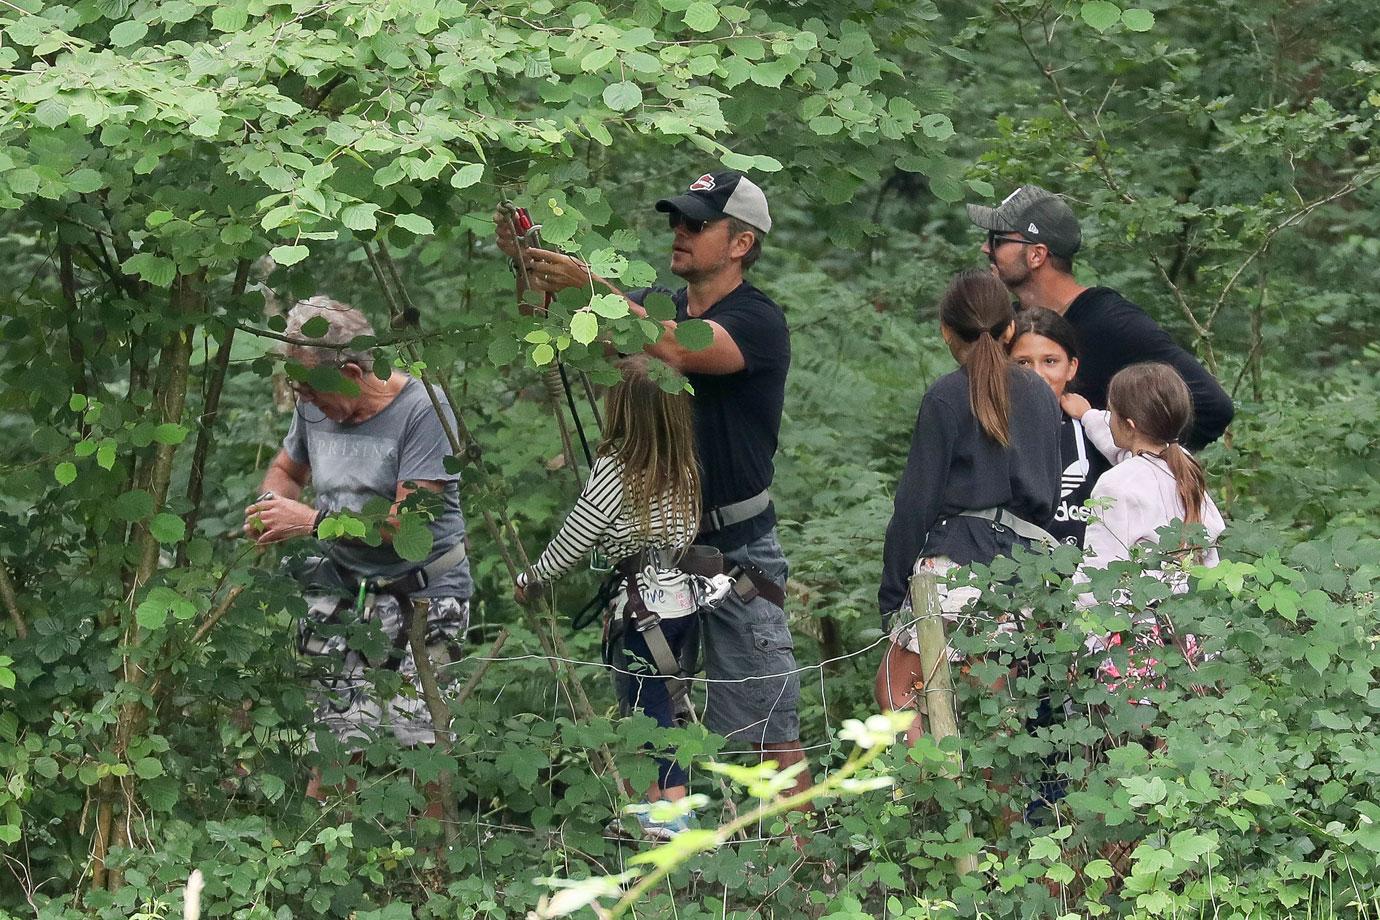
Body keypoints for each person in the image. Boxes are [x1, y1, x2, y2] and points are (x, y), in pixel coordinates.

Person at [494, 169, 811, 796]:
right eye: (676, 219)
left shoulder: (756, 320)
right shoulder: (651, 305)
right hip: (652, 561)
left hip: (736, 546)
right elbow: (577, 313)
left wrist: (592, 290)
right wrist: (534, 261)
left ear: (741, 243)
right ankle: (674, 872)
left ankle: (802, 870)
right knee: (652, 728)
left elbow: (683, 348)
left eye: (697, 223)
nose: (678, 231)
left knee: (767, 729)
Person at [243, 296, 472, 814]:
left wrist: (310, 522)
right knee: (334, 743)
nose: (303, 400)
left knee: (423, 744)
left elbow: (408, 526)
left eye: (310, 390)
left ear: (350, 370)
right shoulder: (312, 406)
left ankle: (433, 879)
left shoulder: (422, 410)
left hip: (424, 595)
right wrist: (269, 505)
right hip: (343, 589)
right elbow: (287, 471)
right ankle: (321, 868)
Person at [514, 356, 703, 839]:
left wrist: (535, 576)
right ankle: (664, 805)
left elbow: (580, 532)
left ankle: (670, 813)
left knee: (647, 709)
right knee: (666, 700)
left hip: (641, 607)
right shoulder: (681, 462)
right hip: (680, 600)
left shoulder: (617, 465)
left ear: (620, 408)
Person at [875, 270, 1063, 739]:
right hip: (1024, 569)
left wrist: (892, 593)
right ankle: (994, 810)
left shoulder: (945, 396)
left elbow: (915, 505)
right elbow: (1049, 492)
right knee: (996, 718)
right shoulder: (1041, 393)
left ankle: (937, 795)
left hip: (955, 563)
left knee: (898, 693)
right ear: (1011, 330)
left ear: (944, 331)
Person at [967, 185, 1234, 450]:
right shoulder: (1008, 325)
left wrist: (1132, 455)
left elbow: (1212, 408)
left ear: (1036, 254)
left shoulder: (1109, 323)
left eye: (997, 239)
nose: (985, 248)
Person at [1062, 362, 1225, 694]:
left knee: (1130, 744)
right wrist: (1089, 416)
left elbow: (1099, 574)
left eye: (1111, 411)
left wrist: (1071, 638)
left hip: (1134, 650)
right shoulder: (1186, 472)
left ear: (1128, 424)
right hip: (1189, 644)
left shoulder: (1116, 485)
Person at [1007, 307, 1111, 547]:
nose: (1036, 374)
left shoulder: (1096, 430)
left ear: (1071, 367)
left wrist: (1091, 418)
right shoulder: (992, 429)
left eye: (1050, 361)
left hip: (1089, 574)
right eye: (1023, 362)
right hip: (1015, 576)